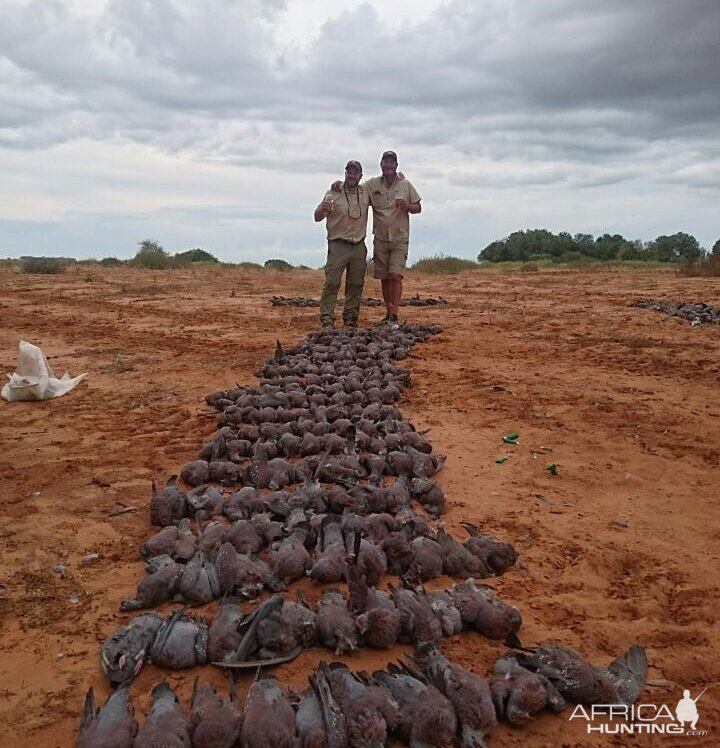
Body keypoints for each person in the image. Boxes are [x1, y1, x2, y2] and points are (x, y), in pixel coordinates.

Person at [363, 150, 421, 323]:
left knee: (395, 275)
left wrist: (408, 206)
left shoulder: (405, 184)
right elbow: (355, 189)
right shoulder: (371, 185)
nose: (388, 165)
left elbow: (418, 207)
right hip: (380, 237)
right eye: (385, 162)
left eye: (391, 162)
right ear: (381, 165)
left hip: (399, 237)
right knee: (384, 277)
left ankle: (394, 313)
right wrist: (337, 185)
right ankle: (388, 312)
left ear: (396, 165)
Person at [314, 160, 370, 329]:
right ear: (345, 173)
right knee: (332, 282)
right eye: (349, 172)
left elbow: (383, 186)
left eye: (355, 172)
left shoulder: (366, 192)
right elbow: (316, 216)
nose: (352, 175)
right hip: (337, 244)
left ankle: (351, 319)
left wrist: (400, 177)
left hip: (359, 245)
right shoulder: (333, 192)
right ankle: (327, 319)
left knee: (356, 283)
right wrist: (323, 210)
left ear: (360, 175)